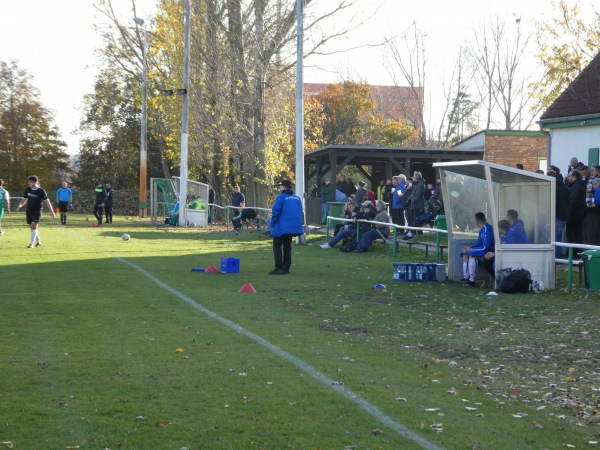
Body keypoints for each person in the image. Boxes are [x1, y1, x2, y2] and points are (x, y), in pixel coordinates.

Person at [269, 180, 304, 275]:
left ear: (284, 187)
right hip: (292, 227)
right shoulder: (297, 198)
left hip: (282, 226)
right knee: (287, 247)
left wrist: (273, 223)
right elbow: (300, 212)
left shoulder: (281, 198)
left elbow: (276, 211)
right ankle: (286, 267)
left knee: (276, 245)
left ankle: (279, 267)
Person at [16, 175, 56, 248]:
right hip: (29, 210)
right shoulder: (28, 190)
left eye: (30, 182)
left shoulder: (41, 191)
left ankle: (31, 244)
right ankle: (39, 242)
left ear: (35, 182)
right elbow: (24, 199)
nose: (29, 183)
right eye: (29, 182)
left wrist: (52, 212)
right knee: (32, 227)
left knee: (34, 225)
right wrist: (20, 205)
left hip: (37, 211)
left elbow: (47, 202)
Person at [459, 212, 494, 287]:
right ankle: (466, 277)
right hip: (483, 249)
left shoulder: (488, 229)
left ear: (476, 220)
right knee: (465, 253)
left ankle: (472, 280)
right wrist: (470, 248)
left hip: (489, 251)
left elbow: (485, 247)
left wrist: (471, 250)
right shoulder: (482, 230)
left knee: (472, 255)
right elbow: (479, 244)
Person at [548, 169, 570, 257]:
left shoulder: (553, 187)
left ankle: (557, 256)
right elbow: (569, 200)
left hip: (557, 214)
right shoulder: (565, 187)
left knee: (556, 238)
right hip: (565, 214)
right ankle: (560, 254)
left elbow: (554, 202)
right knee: (560, 237)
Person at [566, 169, 587, 252]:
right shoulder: (581, 184)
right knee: (577, 233)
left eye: (569, 176)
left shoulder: (575, 186)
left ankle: (573, 252)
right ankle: (577, 252)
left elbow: (573, 200)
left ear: (574, 176)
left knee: (570, 232)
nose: (568, 178)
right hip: (581, 212)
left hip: (575, 213)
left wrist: (569, 211)